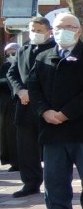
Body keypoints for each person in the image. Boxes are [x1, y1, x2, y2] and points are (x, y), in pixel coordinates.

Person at [27, 13, 83, 209]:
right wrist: (45, 111)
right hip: (51, 128)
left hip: (82, 128)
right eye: (59, 27)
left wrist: (66, 113)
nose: (64, 31)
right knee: (54, 178)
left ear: (79, 30)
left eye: (69, 26)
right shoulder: (43, 56)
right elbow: (34, 88)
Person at [7, 15, 55, 198]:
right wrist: (20, 90)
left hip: (47, 106)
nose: (34, 34)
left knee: (51, 148)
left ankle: (53, 182)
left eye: (39, 31)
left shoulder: (54, 49)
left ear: (49, 31)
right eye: (32, 30)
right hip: (25, 107)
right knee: (26, 147)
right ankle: (30, 182)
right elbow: (13, 74)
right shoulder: (24, 49)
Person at [0, 43, 19, 171]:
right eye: (8, 54)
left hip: (19, 103)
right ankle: (12, 160)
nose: (11, 56)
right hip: (5, 105)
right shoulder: (5, 66)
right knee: (7, 134)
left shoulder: (22, 64)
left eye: (13, 53)